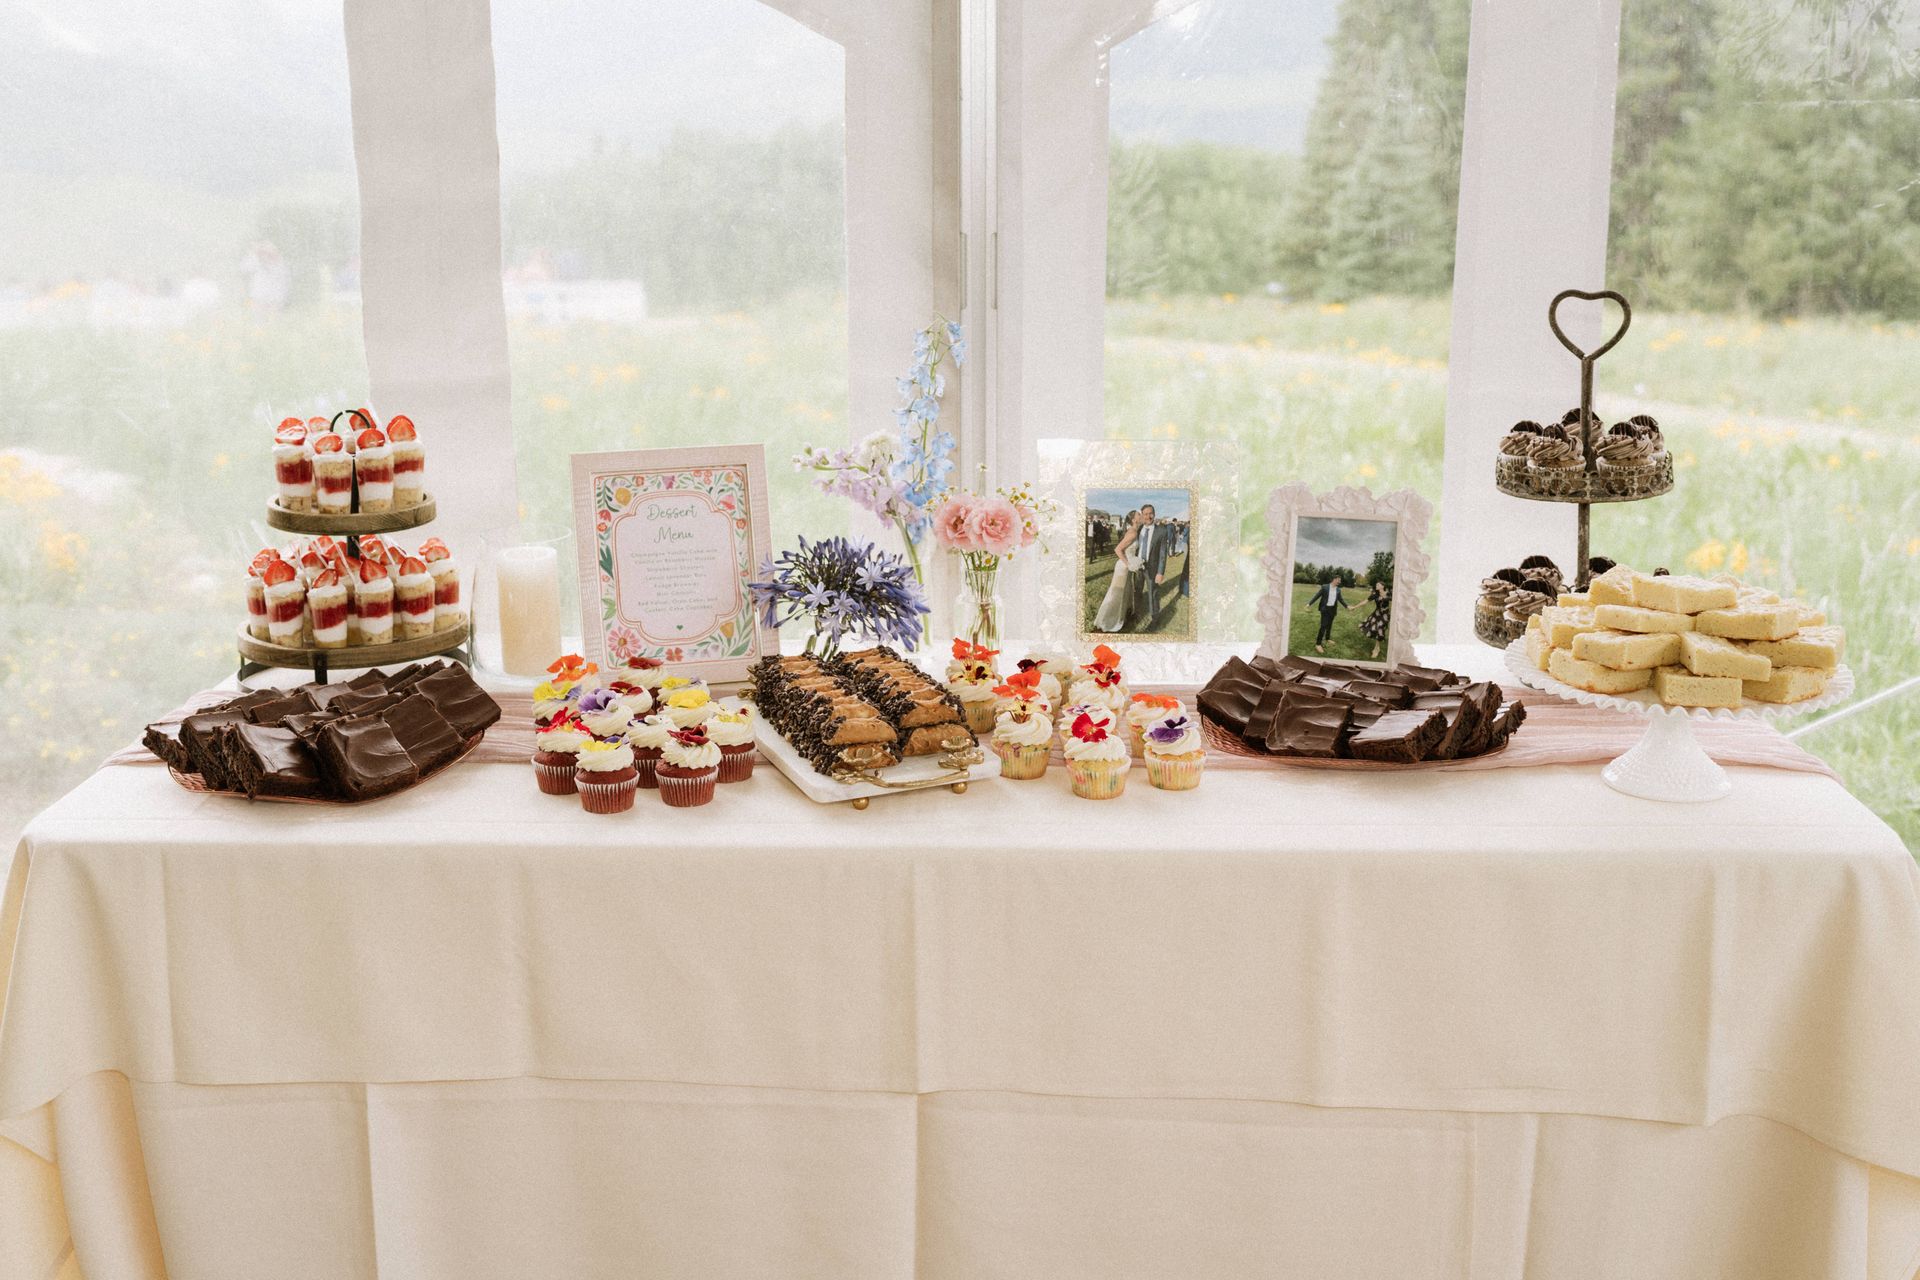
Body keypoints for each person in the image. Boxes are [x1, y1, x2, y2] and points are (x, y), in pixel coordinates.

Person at [1092, 511, 1143, 633]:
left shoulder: (1135, 531)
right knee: (1117, 594)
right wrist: (1129, 564)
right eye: (1139, 515)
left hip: (1127, 566)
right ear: (1133, 519)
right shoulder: (1132, 533)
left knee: (1126, 592)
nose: (1141, 516)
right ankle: (1107, 621)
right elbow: (1118, 549)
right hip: (1123, 567)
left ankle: (1122, 616)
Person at [1309, 575, 1351, 653]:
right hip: (1325, 609)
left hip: (1333, 609)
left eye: (1340, 580)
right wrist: (1309, 604)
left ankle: (1328, 639)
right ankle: (1318, 644)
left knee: (1329, 625)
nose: (1339, 582)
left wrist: (1347, 606)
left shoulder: (1338, 589)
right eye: (1338, 580)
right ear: (1334, 579)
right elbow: (1317, 596)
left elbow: (1340, 599)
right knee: (1323, 626)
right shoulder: (1325, 587)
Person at [1359, 578, 1392, 660]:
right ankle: (1377, 648)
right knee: (1373, 628)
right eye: (1376, 585)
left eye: (1378, 585)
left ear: (1382, 586)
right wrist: (1354, 607)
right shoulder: (1375, 594)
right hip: (1377, 614)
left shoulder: (1388, 593)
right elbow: (1365, 601)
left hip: (1385, 615)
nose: (1376, 586)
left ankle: (1376, 649)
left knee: (1379, 628)